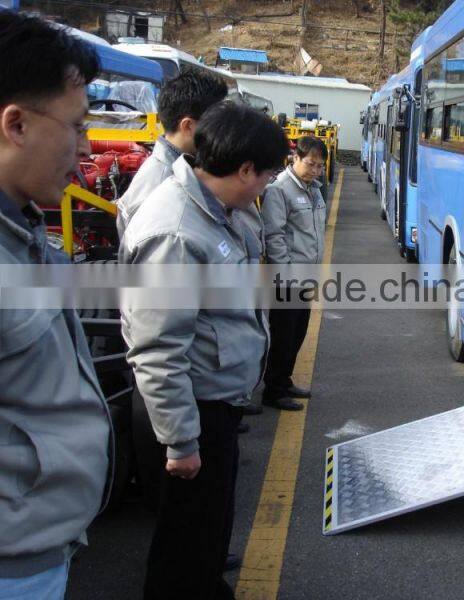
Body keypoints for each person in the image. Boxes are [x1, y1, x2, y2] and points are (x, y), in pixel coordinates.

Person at [120, 101, 289, 600]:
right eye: (265, 176)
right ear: (243, 170)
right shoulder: (176, 231)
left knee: (205, 531)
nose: (265, 187)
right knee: (184, 540)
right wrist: (180, 441)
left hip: (215, 402)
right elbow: (157, 349)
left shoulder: (219, 212)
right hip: (192, 408)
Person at [0, 12, 112, 599]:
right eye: (77, 126)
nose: (88, 146)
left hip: (39, 548)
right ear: (16, 124)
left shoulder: (23, 230)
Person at [115, 67, 228, 240]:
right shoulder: (160, 180)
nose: (222, 131)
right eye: (216, 123)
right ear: (188, 126)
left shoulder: (183, 168)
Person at [261, 136, 328, 411]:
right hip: (288, 279)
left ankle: (285, 380)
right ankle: (273, 390)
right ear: (295, 159)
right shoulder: (279, 190)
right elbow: (274, 236)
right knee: (283, 335)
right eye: (311, 164)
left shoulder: (314, 190)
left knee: (298, 332)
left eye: (320, 166)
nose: (315, 170)